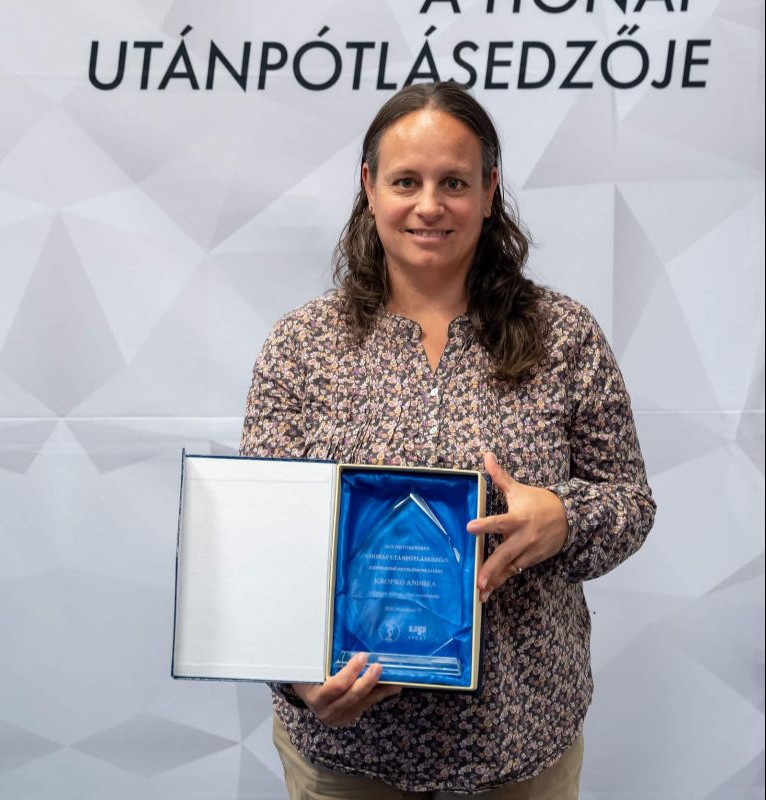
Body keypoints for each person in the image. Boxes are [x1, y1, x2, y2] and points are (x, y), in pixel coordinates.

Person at [239, 81, 656, 799]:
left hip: (519, 741)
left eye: (454, 183)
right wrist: (299, 679)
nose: (429, 205)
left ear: (489, 192)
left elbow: (630, 503)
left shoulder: (564, 336)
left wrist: (564, 518)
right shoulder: (302, 344)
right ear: (369, 187)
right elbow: (260, 541)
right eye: (406, 181)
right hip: (348, 751)